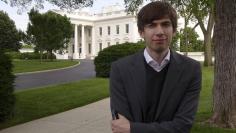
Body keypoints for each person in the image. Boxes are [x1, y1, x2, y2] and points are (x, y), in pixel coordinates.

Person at [109, 1, 202, 133]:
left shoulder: (191, 70)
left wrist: (133, 128)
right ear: (142, 32)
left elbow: (183, 125)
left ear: (174, 30)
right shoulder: (120, 69)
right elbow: (120, 127)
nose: (159, 31)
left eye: (165, 24)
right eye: (152, 25)